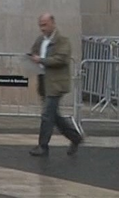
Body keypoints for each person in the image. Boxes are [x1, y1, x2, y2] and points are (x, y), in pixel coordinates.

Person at [27, 12, 82, 156]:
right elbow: (34, 52)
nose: (42, 28)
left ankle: (43, 146)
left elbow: (61, 59)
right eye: (40, 25)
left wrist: (41, 60)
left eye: (45, 25)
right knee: (54, 116)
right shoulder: (40, 40)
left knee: (47, 115)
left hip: (56, 84)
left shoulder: (63, 41)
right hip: (44, 82)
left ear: (53, 23)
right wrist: (31, 58)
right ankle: (75, 137)